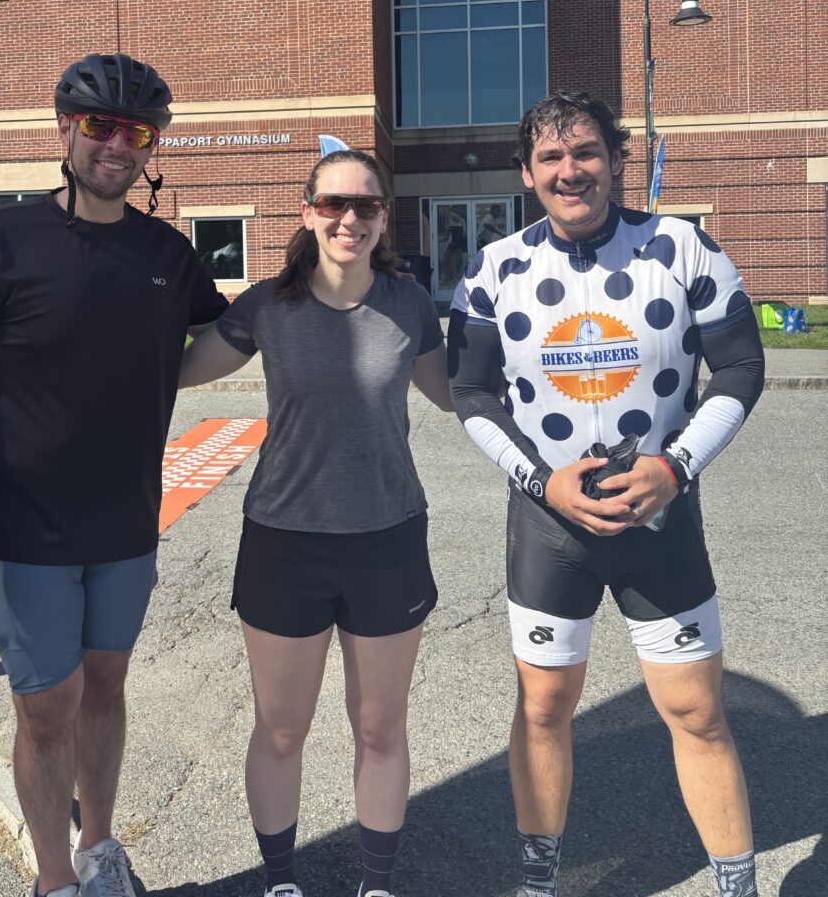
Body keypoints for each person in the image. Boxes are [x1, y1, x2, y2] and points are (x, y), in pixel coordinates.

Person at [0, 53, 229, 897]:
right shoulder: (0, 240)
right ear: (66, 130)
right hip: (20, 531)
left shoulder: (167, 253)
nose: (119, 144)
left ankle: (98, 851)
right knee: (45, 711)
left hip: (126, 525)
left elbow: (205, 350)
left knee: (107, 686)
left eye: (137, 131)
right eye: (101, 125)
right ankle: (54, 881)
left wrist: (302, 293)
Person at [448, 91, 764, 897]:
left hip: (659, 517)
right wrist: (539, 479)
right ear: (526, 173)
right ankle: (539, 876)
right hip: (549, 525)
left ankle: (739, 885)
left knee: (696, 713)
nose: (570, 170)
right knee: (544, 709)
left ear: (617, 159)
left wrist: (677, 465)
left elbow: (740, 369)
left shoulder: (684, 248)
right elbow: (472, 395)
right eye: (550, 158)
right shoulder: (494, 268)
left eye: (585, 151)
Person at [177, 149, 452, 897]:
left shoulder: (408, 303)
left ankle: (378, 884)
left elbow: (458, 398)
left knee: (379, 730)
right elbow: (172, 369)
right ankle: (280, 881)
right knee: (281, 729)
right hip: (284, 543)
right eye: (333, 204)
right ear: (307, 211)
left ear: (383, 218)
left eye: (365, 206)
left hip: (387, 539)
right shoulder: (268, 305)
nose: (349, 219)